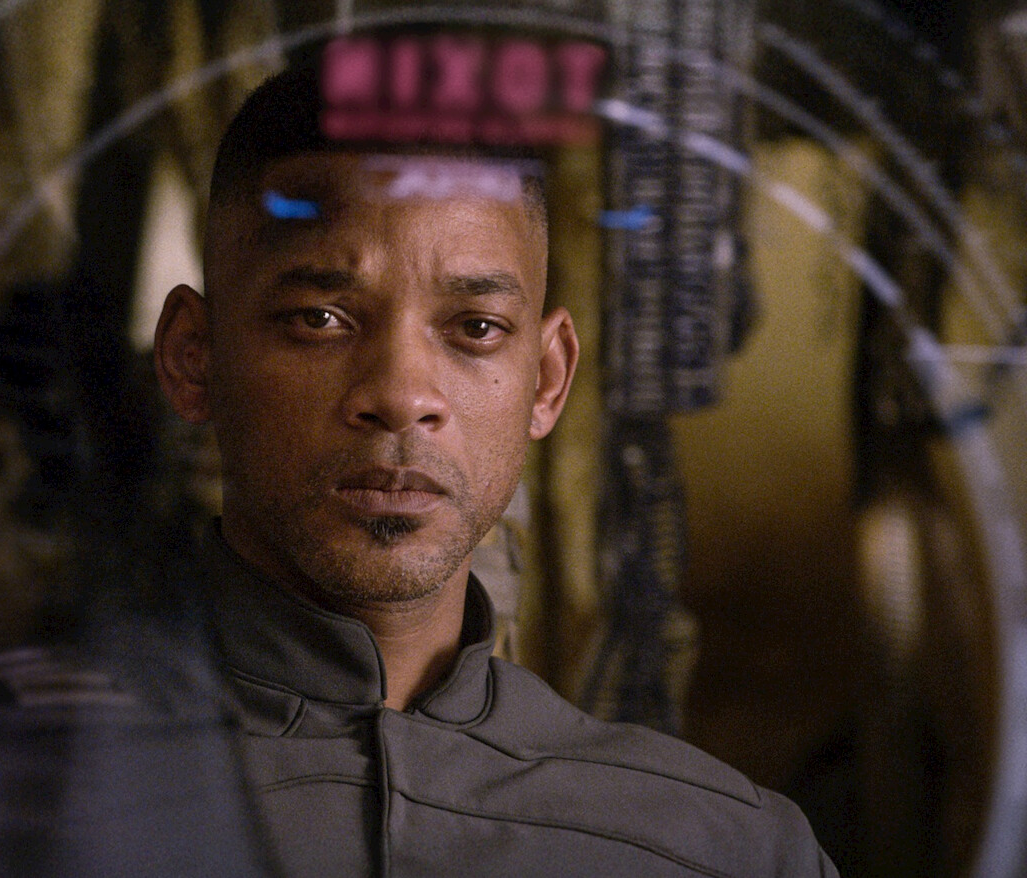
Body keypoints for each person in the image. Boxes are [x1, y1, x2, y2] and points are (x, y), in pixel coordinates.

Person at [149, 63, 838, 876]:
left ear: (546, 380)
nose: (402, 396)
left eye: (475, 327)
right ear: (193, 357)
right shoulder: (28, 796)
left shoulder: (728, 849)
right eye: (320, 318)